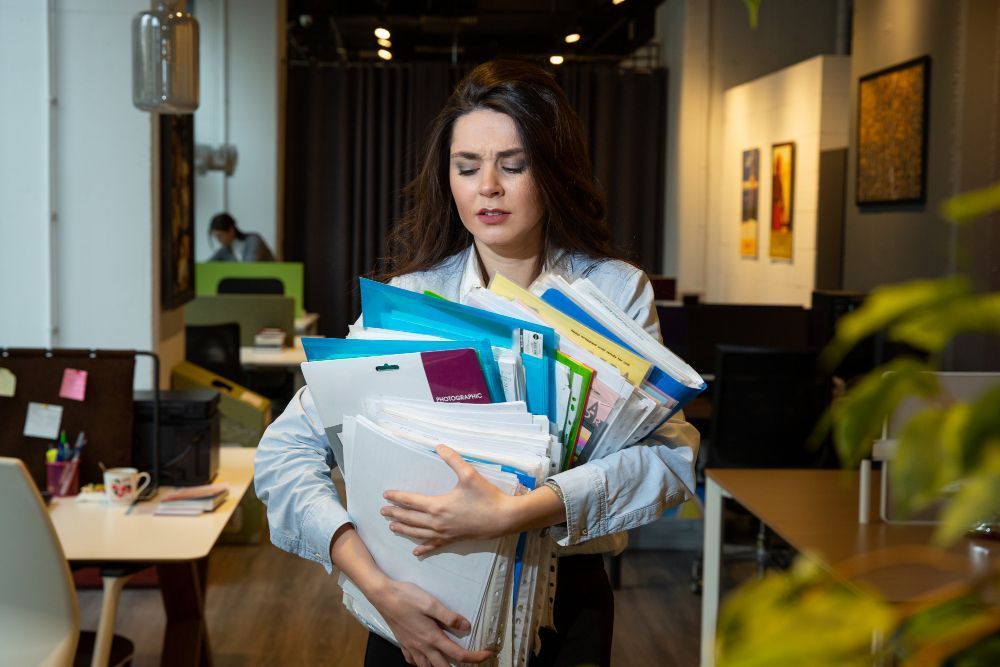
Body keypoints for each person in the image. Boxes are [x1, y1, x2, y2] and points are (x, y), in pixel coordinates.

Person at [254, 60, 700, 667]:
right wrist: (375, 587)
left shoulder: (614, 293)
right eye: (467, 167)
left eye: (512, 166)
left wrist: (516, 512)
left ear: (553, 172)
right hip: (411, 599)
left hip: (563, 607)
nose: (488, 186)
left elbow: (669, 458)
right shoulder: (410, 300)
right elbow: (284, 451)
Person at [208, 212, 275, 262]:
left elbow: (248, 268)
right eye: (215, 237)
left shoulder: (254, 241)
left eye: (220, 236)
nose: (218, 240)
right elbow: (207, 266)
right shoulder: (225, 250)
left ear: (231, 230)